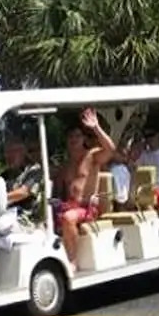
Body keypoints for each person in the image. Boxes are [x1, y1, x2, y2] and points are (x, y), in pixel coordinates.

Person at [51, 108, 117, 271]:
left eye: (77, 136)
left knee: (68, 218)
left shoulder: (92, 156)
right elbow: (58, 192)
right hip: (69, 207)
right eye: (70, 136)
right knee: (46, 219)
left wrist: (96, 127)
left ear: (84, 139)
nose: (73, 139)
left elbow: (110, 149)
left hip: (88, 209)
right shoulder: (65, 164)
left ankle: (72, 261)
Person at [1, 138, 44, 211]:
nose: (8, 156)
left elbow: (23, 192)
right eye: (6, 152)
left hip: (26, 215)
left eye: (12, 151)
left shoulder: (35, 171)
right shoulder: (5, 175)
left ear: (23, 152)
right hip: (6, 212)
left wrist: (0, 198)